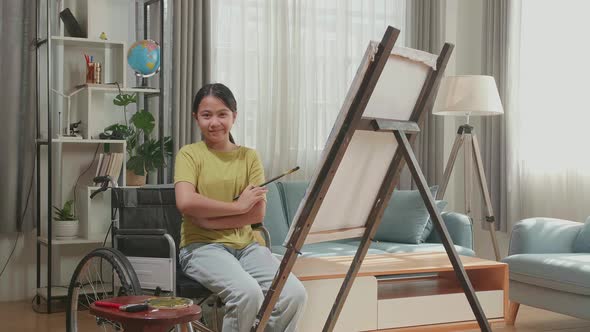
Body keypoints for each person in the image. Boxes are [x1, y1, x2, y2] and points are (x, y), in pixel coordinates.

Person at [174, 83, 307, 332]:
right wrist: (238, 207)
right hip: (201, 248)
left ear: (234, 116)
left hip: (247, 247)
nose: (214, 122)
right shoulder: (189, 154)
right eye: (206, 115)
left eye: (222, 114)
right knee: (247, 294)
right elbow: (186, 202)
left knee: (294, 294)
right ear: (196, 118)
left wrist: (208, 219)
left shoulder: (249, 157)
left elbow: (257, 213)